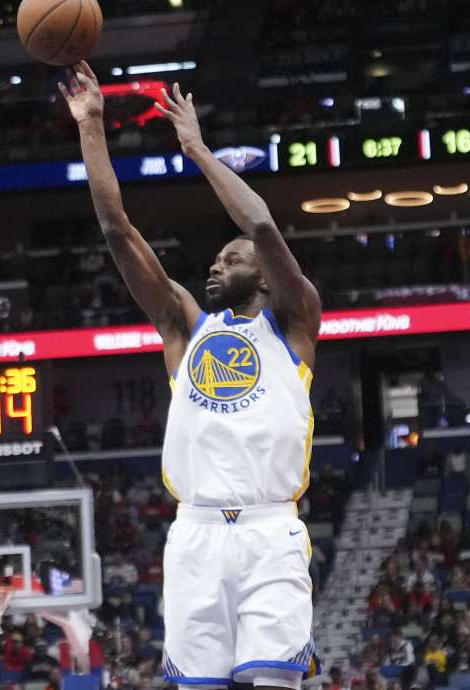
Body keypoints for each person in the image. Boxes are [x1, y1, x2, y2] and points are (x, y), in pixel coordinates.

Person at [60, 62, 322, 690]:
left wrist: (197, 149)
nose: (215, 263)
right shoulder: (185, 327)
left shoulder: (295, 323)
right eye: (214, 256)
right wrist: (91, 126)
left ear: (263, 275)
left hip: (268, 529)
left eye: (229, 259)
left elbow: (259, 224)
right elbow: (116, 230)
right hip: (195, 534)